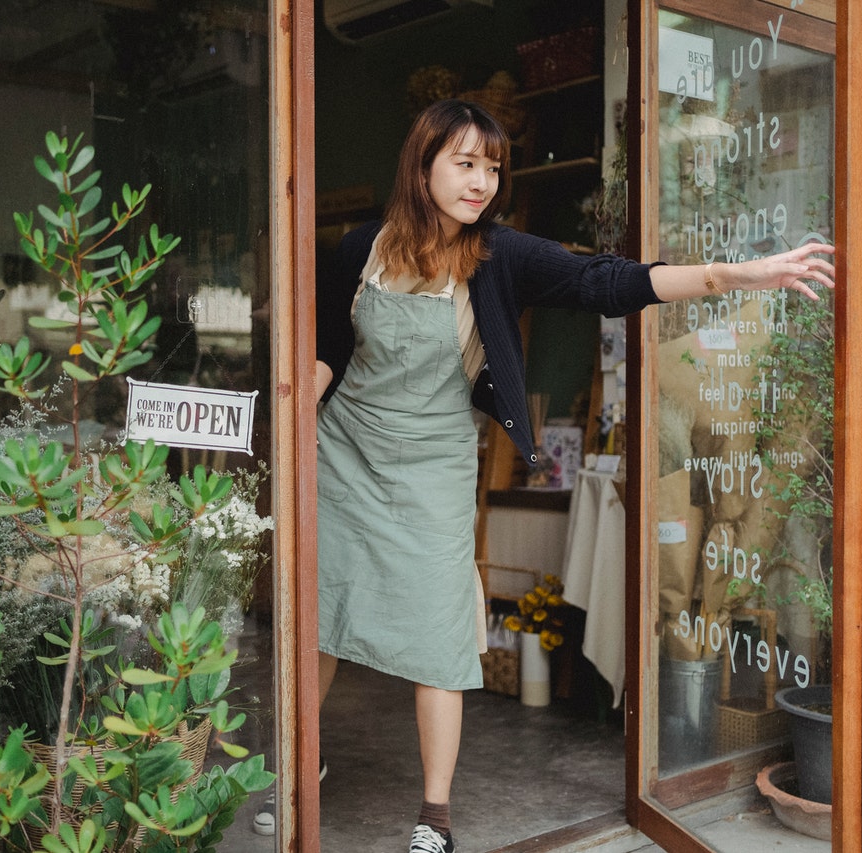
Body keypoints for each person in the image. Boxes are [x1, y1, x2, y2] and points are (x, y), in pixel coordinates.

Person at [266, 98, 833, 851]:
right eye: (465, 164)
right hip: (344, 454)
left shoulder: (498, 255)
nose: (481, 183)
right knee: (322, 614)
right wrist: (288, 418)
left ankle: (435, 817)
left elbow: (607, 282)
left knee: (439, 630)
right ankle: (299, 769)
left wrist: (742, 273)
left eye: (493, 168)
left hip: (434, 463)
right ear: (422, 164)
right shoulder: (361, 248)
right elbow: (329, 348)